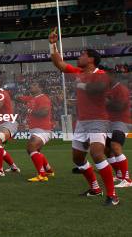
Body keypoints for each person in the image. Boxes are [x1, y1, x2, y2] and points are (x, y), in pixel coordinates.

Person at [49, 30, 119, 206]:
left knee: (97, 153)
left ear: (91, 59)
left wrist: (80, 83)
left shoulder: (101, 74)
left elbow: (96, 89)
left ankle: (113, 195)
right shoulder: (79, 71)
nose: (79, 57)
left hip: (98, 120)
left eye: (82, 55)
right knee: (78, 159)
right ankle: (95, 188)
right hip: (82, 122)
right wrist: (52, 44)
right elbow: (60, 64)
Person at [16, 81, 55, 182]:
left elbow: (44, 112)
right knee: (35, 150)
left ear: (40, 88)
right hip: (35, 129)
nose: (31, 86)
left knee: (31, 147)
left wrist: (29, 111)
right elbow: (18, 98)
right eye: (31, 84)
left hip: (43, 129)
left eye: (34, 85)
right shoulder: (31, 99)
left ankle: (42, 175)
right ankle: (49, 171)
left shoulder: (44, 98)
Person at [106, 75, 131, 188]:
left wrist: (105, 101)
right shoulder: (108, 90)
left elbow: (120, 106)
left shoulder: (121, 89)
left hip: (121, 121)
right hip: (109, 122)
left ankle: (127, 180)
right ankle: (119, 175)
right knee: (107, 150)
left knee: (115, 146)